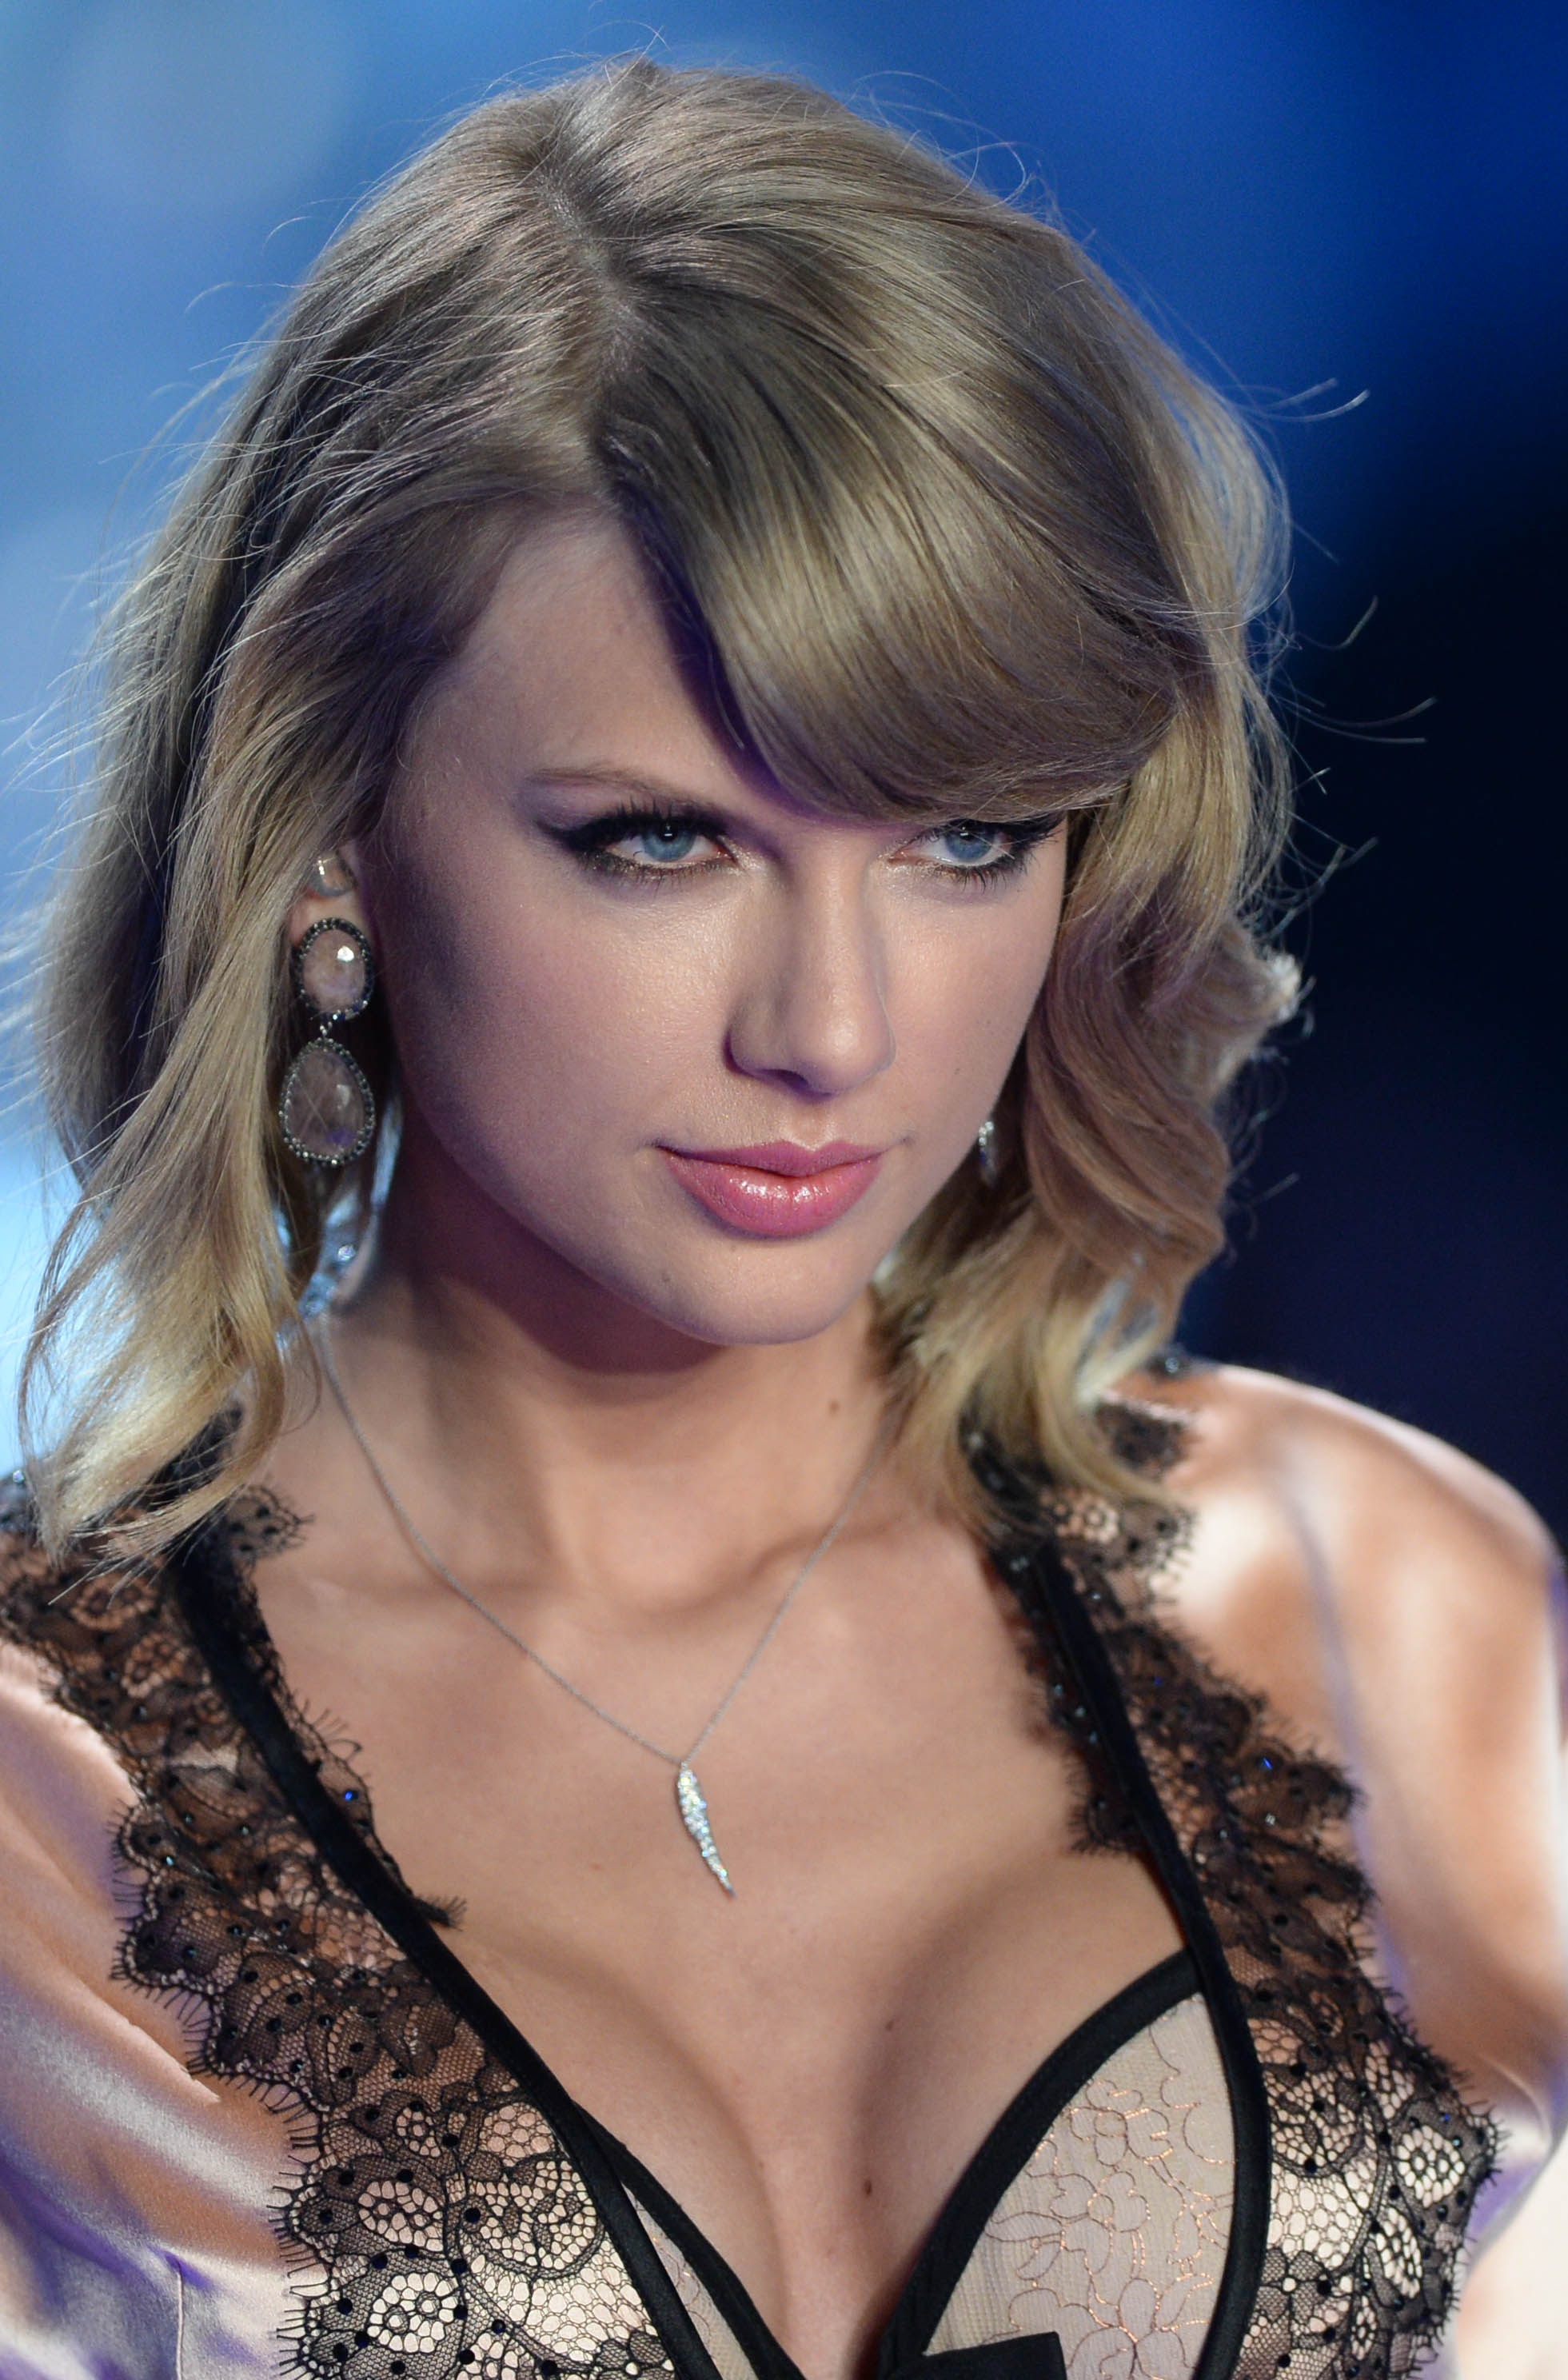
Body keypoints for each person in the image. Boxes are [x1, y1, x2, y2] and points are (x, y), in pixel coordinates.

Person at [0, 56, 1561, 2380]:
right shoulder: (36, 1802)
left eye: (964, 842)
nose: (833, 1029)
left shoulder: (1368, 1601)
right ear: (326, 836)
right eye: (662, 842)